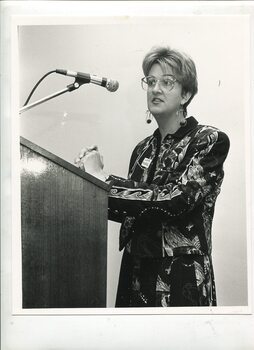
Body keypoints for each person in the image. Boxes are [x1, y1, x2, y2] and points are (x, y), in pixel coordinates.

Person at [75, 46, 230, 307]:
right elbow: (131, 210)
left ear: (186, 94)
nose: (155, 89)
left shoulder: (209, 140)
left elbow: (174, 199)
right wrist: (88, 181)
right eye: (151, 81)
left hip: (181, 276)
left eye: (167, 82)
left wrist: (103, 180)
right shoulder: (141, 149)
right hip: (135, 272)